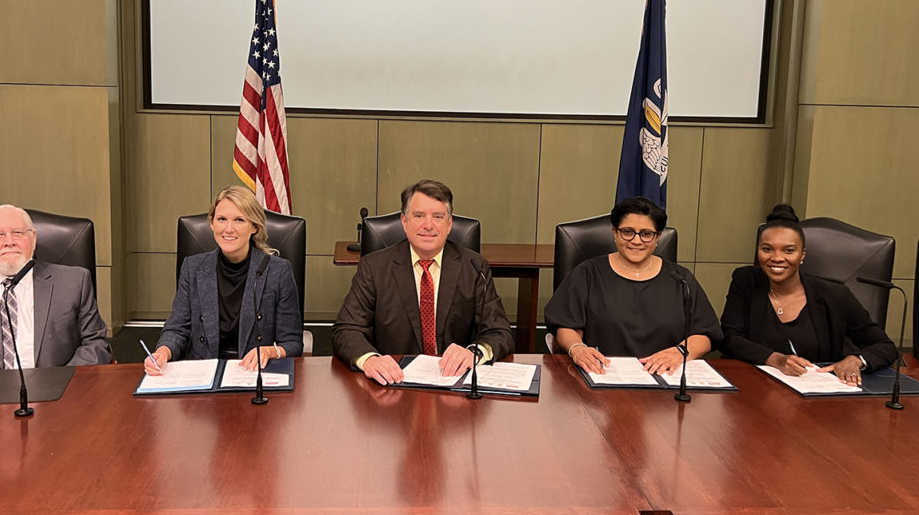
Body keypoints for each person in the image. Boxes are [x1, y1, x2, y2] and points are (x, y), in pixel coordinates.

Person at [332, 179, 515, 385]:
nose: (428, 225)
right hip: (393, 384)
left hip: (454, 383)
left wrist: (473, 353)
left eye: (438, 217)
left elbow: (500, 332)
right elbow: (346, 330)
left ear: (449, 224)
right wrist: (370, 360)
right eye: (419, 216)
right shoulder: (374, 267)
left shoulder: (474, 267)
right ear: (404, 221)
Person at [719, 204, 897, 384]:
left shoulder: (834, 295)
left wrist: (857, 360)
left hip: (818, 391)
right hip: (757, 388)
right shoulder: (746, 281)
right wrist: (775, 359)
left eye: (789, 250)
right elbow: (729, 338)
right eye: (767, 249)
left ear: (802, 255)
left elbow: (885, 346)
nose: (777, 258)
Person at [546, 197, 722, 375]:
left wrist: (679, 352)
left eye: (646, 234)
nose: (636, 241)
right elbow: (565, 325)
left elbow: (706, 334)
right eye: (628, 232)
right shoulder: (588, 273)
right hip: (603, 374)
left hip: (665, 377)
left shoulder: (680, 279)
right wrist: (577, 348)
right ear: (615, 233)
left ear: (657, 237)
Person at [0, 205, 112, 373]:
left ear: (33, 238)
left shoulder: (74, 282)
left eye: (17, 233)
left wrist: (61, 381)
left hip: (57, 391)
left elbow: (95, 345)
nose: (9, 241)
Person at [144, 186, 302, 375]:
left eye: (239, 220)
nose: (228, 229)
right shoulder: (192, 268)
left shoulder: (277, 271)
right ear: (211, 223)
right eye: (221, 219)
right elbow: (177, 329)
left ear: (254, 227)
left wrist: (270, 351)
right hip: (203, 373)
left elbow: (293, 343)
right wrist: (162, 352)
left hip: (253, 372)